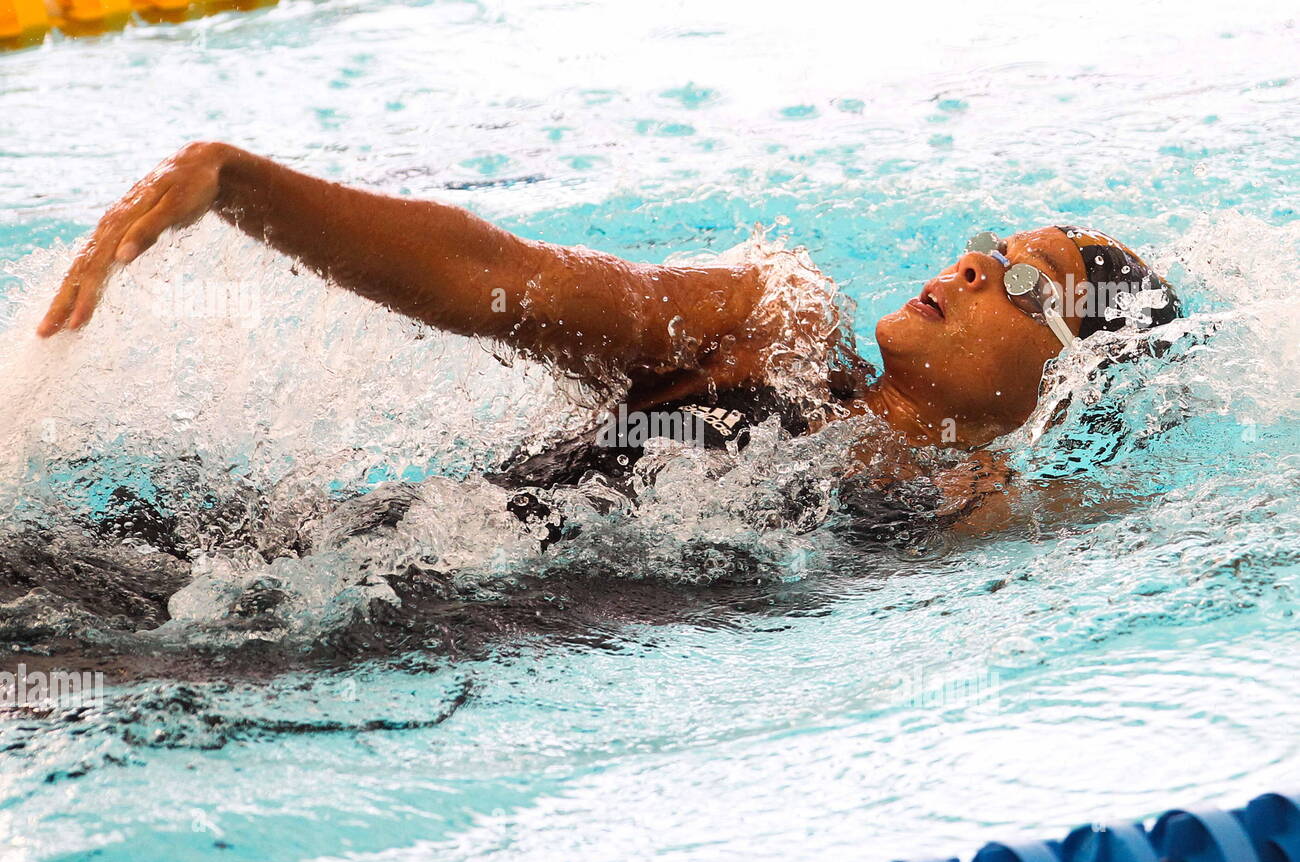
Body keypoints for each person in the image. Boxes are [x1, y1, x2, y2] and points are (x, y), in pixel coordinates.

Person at [36, 141, 1182, 539]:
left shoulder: (977, 504)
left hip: (427, 654)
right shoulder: (770, 329)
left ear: (1064, 378)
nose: (976, 263)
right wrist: (242, 185)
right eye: (990, 242)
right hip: (268, 565)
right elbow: (499, 276)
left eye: (1033, 281)